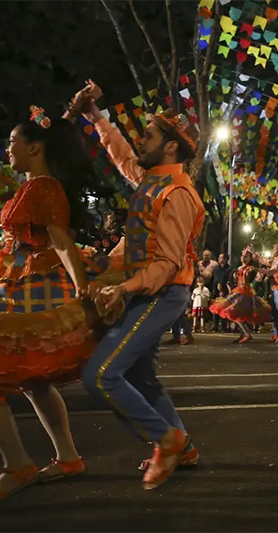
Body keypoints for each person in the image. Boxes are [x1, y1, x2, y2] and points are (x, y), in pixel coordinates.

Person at [74, 81, 205, 490]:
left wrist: (123, 289)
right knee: (143, 380)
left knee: (101, 376)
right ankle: (183, 447)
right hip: (146, 290)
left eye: (148, 135)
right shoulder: (152, 179)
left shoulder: (177, 193)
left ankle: (165, 439)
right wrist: (95, 115)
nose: (140, 140)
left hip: (162, 293)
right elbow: (121, 155)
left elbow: (167, 265)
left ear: (170, 147)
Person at [0, 107, 114, 501]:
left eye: (13, 142)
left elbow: (61, 239)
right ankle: (67, 457)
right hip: (23, 283)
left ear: (34, 148)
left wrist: (83, 289)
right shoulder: (33, 184)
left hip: (36, 288)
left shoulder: (44, 188)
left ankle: (17, 465)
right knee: (34, 381)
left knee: (16, 374)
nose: (7, 148)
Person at [210, 246, 271, 344]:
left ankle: (247, 333)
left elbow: (250, 277)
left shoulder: (249, 268)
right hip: (239, 290)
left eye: (246, 256)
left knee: (235, 312)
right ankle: (243, 334)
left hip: (244, 291)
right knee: (236, 313)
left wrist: (249, 272)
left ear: (250, 258)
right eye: (243, 256)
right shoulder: (239, 268)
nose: (243, 258)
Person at [259, 243, 278, 343]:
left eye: (275, 249)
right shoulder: (275, 260)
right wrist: (256, 255)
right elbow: (265, 261)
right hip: (276, 288)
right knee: (275, 312)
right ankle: (276, 333)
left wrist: (264, 271)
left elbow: (273, 270)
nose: (272, 250)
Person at [211, 253, 232, 332]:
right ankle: (215, 325)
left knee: (224, 309)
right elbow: (213, 279)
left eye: (221, 258)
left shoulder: (229, 269)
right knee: (215, 309)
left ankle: (224, 326)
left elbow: (229, 281)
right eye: (219, 257)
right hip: (216, 291)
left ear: (225, 259)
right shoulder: (216, 268)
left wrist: (223, 290)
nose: (219, 259)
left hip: (224, 291)